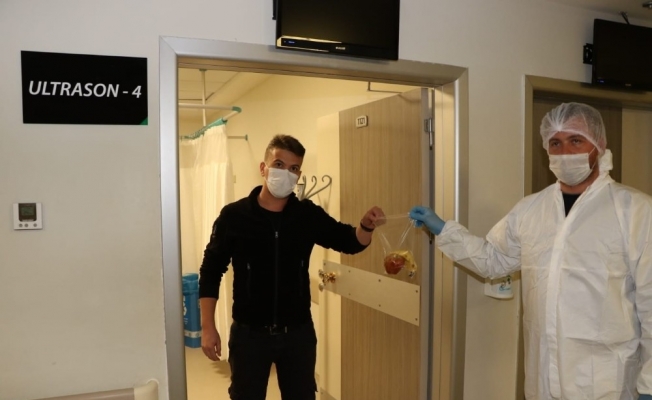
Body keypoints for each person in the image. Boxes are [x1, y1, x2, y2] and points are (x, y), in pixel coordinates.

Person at [410, 102, 652, 400]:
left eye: (576, 140)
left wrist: (649, 386)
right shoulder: (531, 209)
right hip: (543, 378)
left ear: (599, 144)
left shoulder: (635, 211)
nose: (565, 152)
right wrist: (443, 229)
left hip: (608, 384)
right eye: (555, 143)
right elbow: (493, 260)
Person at [199, 134, 385, 400]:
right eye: (279, 164)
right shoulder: (235, 216)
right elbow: (210, 270)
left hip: (297, 334)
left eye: (294, 168)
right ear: (263, 168)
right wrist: (208, 327)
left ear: (299, 174)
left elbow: (349, 241)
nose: (286, 173)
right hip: (249, 335)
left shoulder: (306, 215)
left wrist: (366, 226)